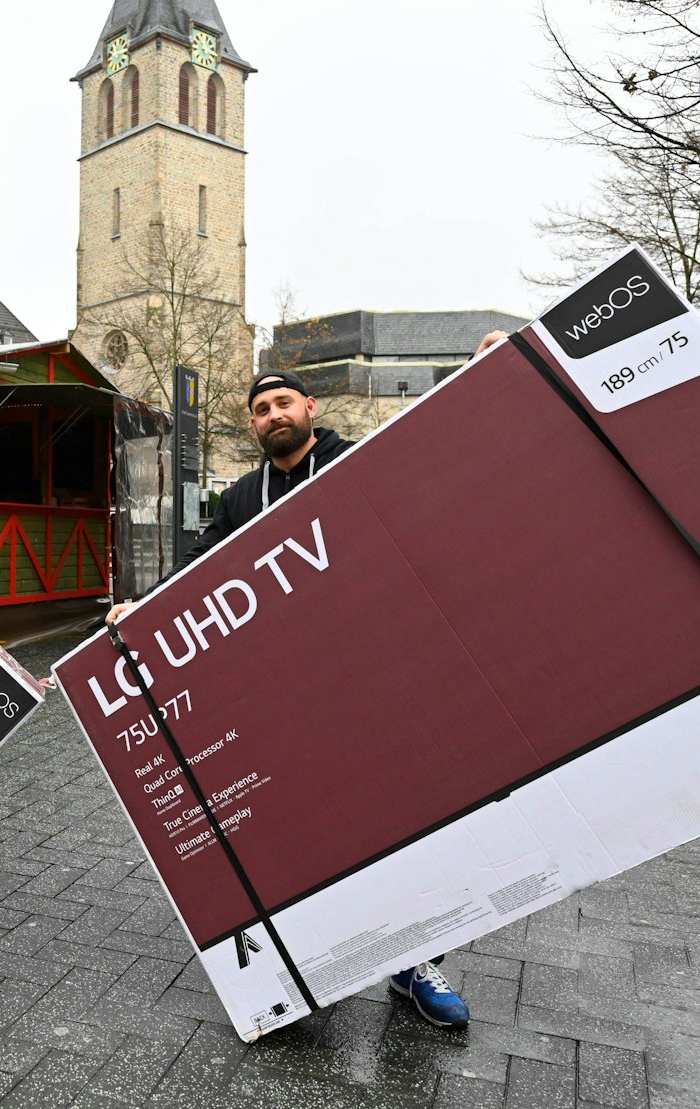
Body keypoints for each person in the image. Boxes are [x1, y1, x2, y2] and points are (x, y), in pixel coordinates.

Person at [105, 361, 494, 1029]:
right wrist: (141, 608)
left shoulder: (355, 462)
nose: (273, 415)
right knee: (304, 826)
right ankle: (316, 957)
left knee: (393, 822)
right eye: (261, 409)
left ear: (311, 407)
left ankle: (413, 962)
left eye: (283, 402)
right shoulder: (243, 495)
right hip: (280, 692)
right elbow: (201, 563)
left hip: (366, 678)